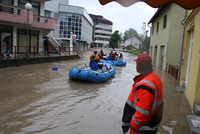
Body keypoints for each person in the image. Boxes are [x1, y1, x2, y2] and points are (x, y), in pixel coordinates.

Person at [122, 53, 163, 134]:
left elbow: (141, 114)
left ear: (139, 65)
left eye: (136, 63)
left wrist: (132, 129)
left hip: (142, 129)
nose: (136, 65)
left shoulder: (145, 85)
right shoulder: (155, 77)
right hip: (151, 125)